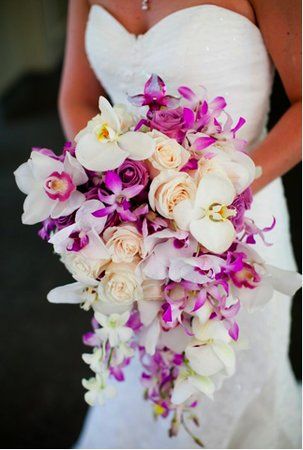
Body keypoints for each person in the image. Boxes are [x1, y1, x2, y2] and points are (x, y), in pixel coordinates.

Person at [59, 1, 301, 448]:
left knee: (229, 392)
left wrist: (214, 193)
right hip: (134, 237)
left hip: (233, 228)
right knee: (141, 386)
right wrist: (112, 192)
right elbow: (74, 100)